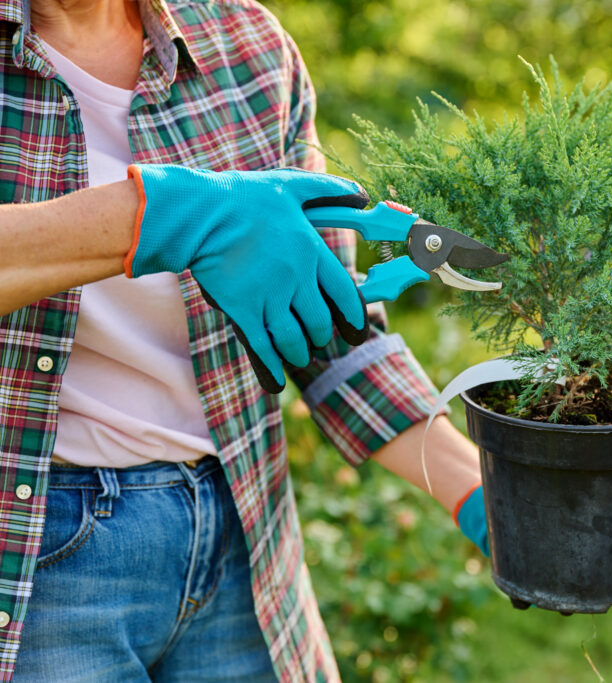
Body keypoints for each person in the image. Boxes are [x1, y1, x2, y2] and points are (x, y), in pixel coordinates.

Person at [0, 0, 488, 680]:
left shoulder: (245, 42)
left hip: (244, 535)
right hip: (37, 562)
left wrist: (485, 498)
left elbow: (334, 331)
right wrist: (166, 211)